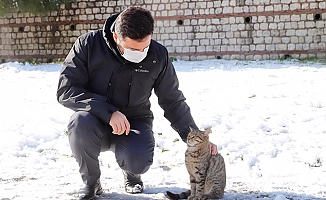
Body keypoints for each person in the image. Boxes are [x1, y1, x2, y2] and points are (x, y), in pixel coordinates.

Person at [56, 6, 218, 200]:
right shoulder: (88, 45)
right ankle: (91, 183)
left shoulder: (158, 55)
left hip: (135, 122)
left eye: (145, 47)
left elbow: (172, 100)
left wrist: (194, 137)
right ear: (116, 37)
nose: (141, 53)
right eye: (133, 49)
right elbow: (66, 89)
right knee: (79, 123)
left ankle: (132, 174)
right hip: (95, 121)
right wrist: (108, 112)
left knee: (138, 159)